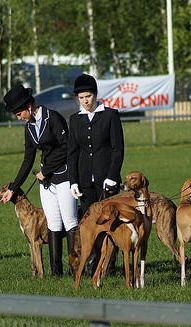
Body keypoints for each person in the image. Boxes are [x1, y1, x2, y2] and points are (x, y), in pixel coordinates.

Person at [0, 84, 78, 277]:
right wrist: (13, 189)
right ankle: (56, 272)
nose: (19, 118)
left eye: (19, 114)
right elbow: (28, 160)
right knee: (53, 224)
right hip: (46, 181)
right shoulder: (29, 128)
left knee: (69, 222)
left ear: (28, 106)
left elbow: (66, 148)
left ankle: (73, 267)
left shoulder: (54, 118)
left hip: (64, 176)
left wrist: (46, 170)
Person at [68, 73, 124, 274]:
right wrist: (73, 181)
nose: (85, 101)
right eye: (82, 98)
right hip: (85, 181)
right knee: (90, 223)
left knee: (110, 223)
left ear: (95, 94)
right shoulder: (75, 120)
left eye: (88, 97)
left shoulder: (110, 115)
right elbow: (72, 153)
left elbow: (118, 149)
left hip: (107, 180)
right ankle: (94, 262)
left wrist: (112, 175)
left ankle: (110, 265)